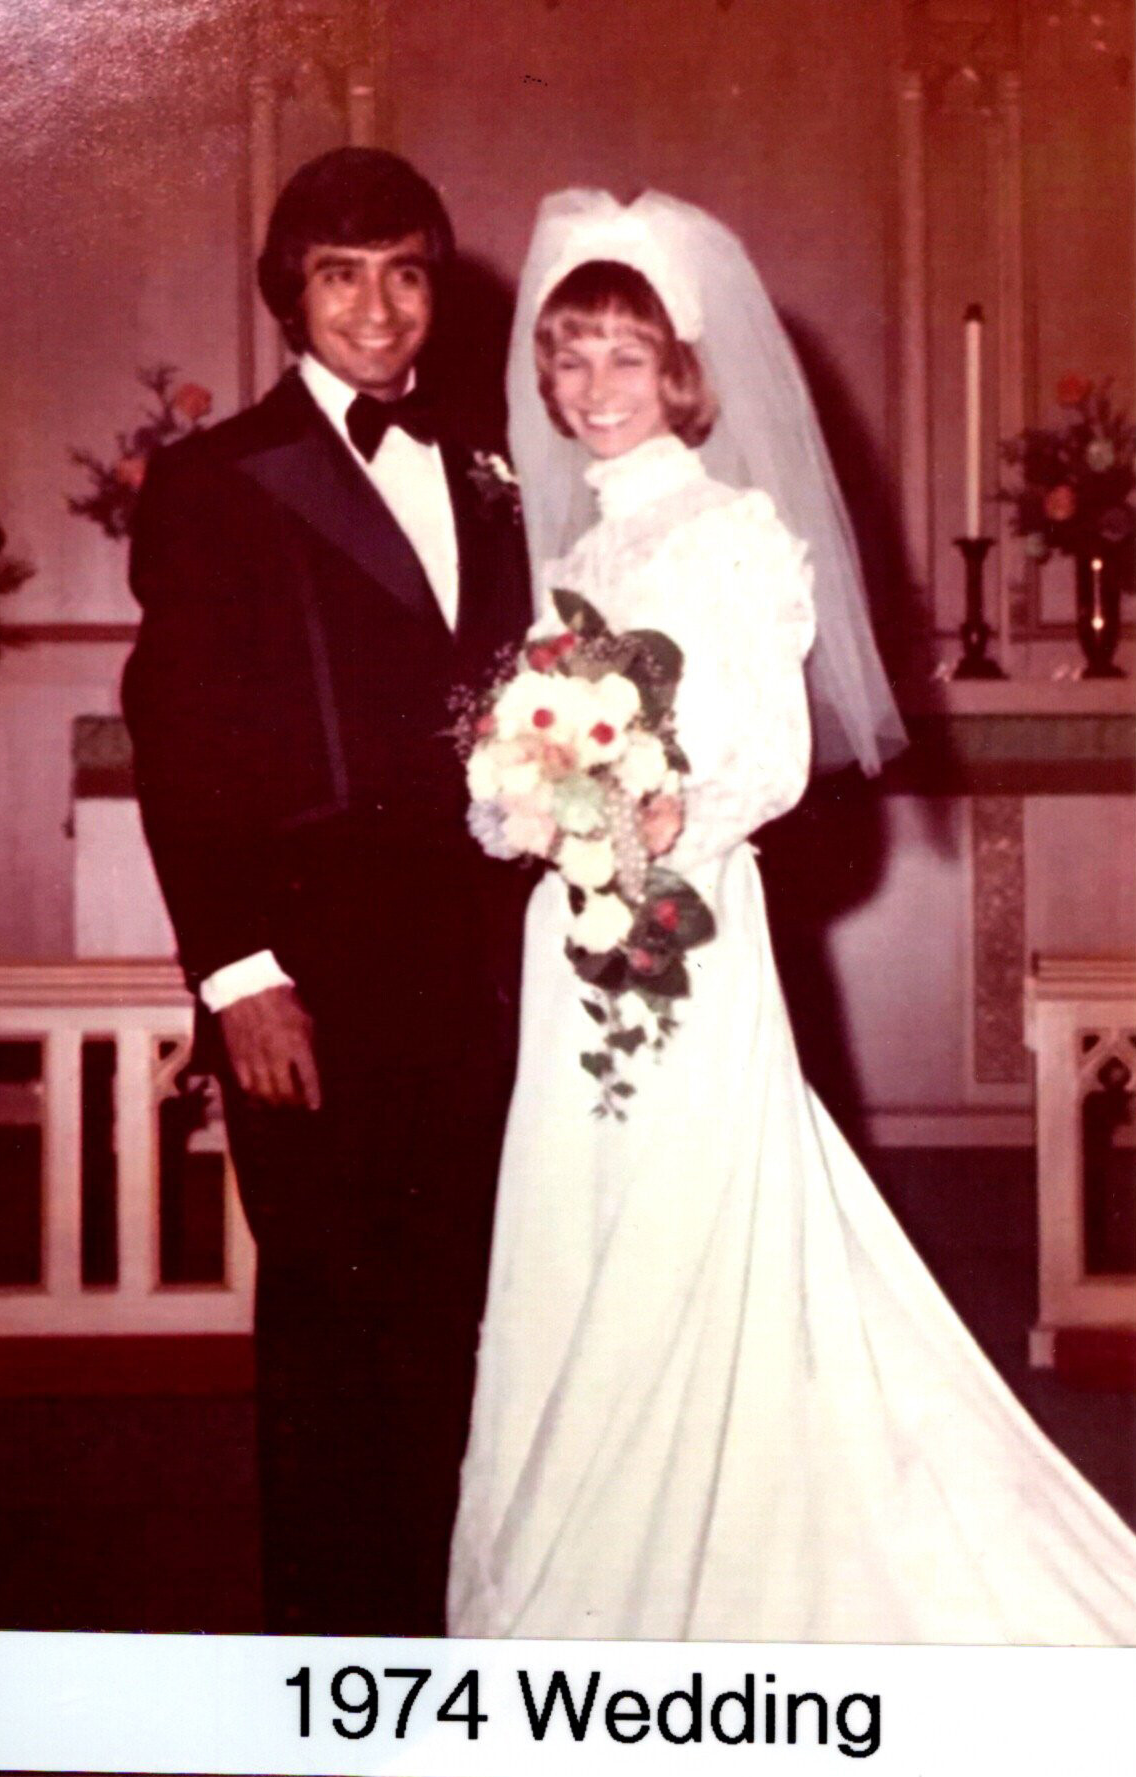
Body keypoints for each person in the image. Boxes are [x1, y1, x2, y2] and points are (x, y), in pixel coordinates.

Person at [447, 189, 1136, 1644]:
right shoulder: (574, 550)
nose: (595, 387)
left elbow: (770, 750)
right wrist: (528, 798)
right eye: (571, 356)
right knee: (582, 1221)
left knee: (685, 1215)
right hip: (574, 943)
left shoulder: (734, 530)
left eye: (628, 356)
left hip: (685, 925)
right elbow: (527, 748)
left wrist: (653, 821)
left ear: (683, 368)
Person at [122, 147, 531, 1635]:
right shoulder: (215, 480)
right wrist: (240, 976)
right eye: (341, 275)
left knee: (460, 1313)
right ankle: (331, 1658)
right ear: (288, 296)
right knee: (329, 1320)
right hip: (313, 966)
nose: (377, 307)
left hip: (479, 962)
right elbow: (179, 743)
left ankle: (453, 1632)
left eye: (406, 273)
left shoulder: (494, 474)